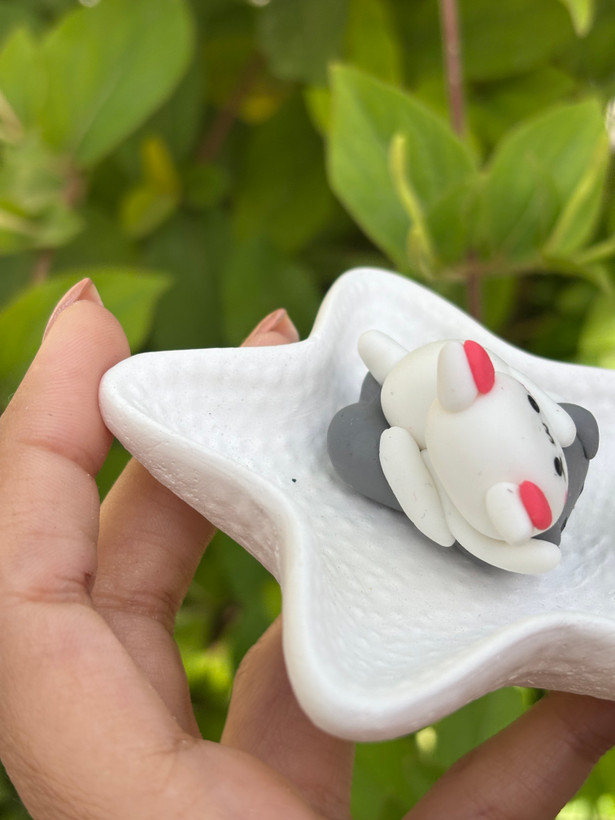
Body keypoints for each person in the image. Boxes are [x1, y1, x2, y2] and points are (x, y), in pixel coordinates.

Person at [0, 278, 612, 820]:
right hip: (449, 430)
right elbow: (450, 503)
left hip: (482, 455)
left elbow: (463, 508)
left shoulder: (494, 456)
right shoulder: (427, 419)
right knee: (359, 440)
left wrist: (493, 515)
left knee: (378, 443)